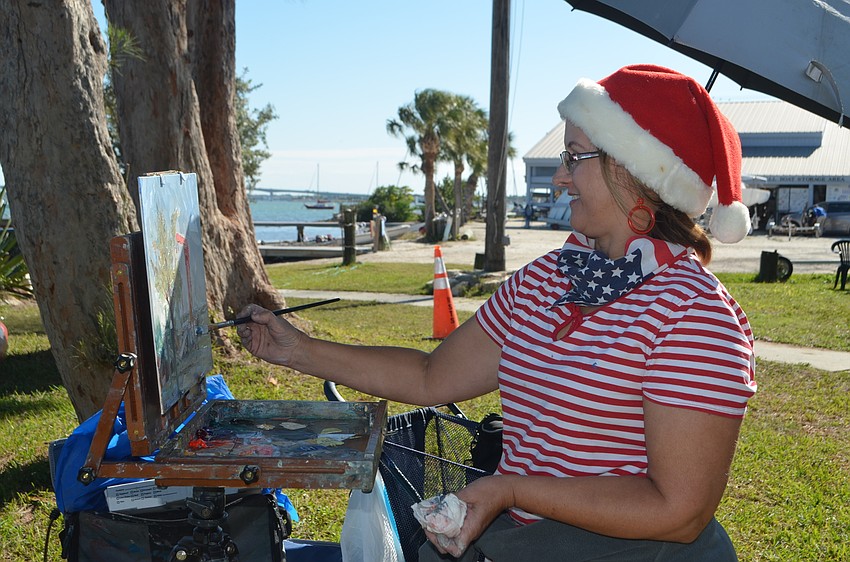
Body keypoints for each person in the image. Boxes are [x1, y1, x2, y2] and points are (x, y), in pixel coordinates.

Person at [237, 65, 757, 561]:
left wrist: (510, 489)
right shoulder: (548, 278)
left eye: (575, 157)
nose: (560, 177)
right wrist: (297, 350)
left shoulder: (694, 314)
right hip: (524, 543)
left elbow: (678, 511)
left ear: (633, 170)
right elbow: (430, 376)